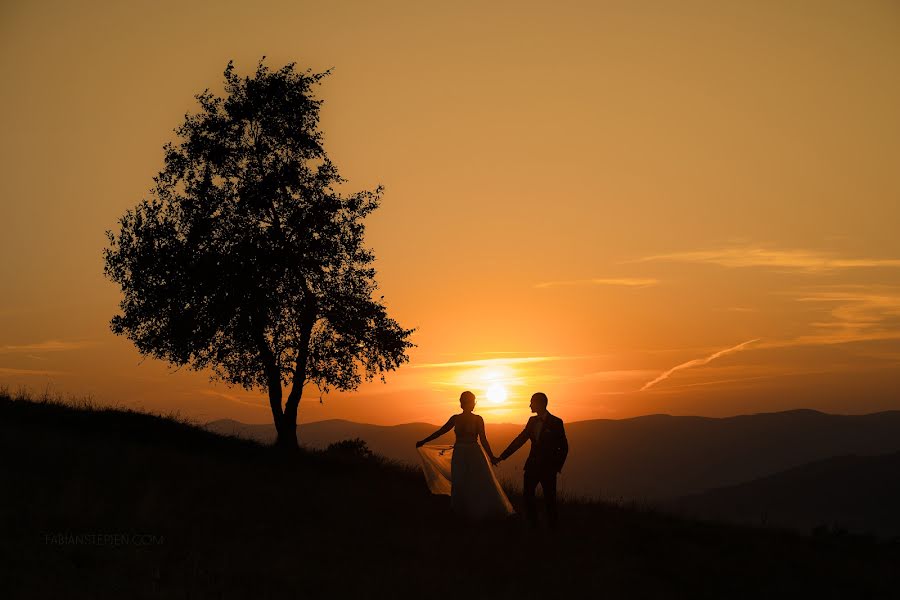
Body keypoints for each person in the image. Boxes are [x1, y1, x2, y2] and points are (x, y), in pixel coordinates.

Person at [415, 391, 514, 519]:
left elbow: (483, 439)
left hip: (472, 454)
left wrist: (491, 456)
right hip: (462, 453)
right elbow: (441, 431)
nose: (473, 404)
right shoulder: (457, 418)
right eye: (472, 401)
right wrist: (424, 441)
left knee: (474, 482)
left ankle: (475, 513)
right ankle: (462, 512)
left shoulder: (476, 419)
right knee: (460, 482)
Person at [493, 392, 568, 528]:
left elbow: (563, 447)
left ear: (540, 403)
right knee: (527, 497)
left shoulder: (556, 422)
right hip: (532, 466)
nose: (529, 405)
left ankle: (553, 529)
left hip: (548, 469)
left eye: (532, 402)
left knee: (550, 500)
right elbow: (520, 440)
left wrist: (556, 467)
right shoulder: (532, 421)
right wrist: (502, 457)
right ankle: (534, 527)